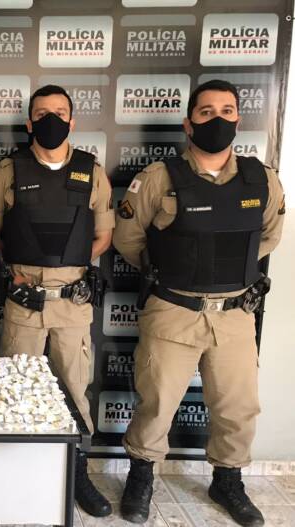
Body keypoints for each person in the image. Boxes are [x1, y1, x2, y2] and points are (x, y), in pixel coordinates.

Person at [114, 79, 285, 526]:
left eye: (226, 111)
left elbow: (268, 237)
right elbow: (128, 239)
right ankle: (141, 476)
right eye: (206, 112)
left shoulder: (262, 178)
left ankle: (227, 479)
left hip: (234, 315)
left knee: (238, 407)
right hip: (174, 310)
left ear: (238, 119)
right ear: (188, 124)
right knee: (156, 403)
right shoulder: (159, 178)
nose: (217, 120)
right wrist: (175, 269)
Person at [0, 84, 114, 518]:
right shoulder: (9, 171)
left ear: (72, 121)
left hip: (73, 303)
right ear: (29, 123)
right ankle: (14, 474)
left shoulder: (91, 171)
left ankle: (77, 472)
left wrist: (65, 268)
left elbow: (103, 236)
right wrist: (18, 273)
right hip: (24, 300)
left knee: (75, 388)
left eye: (60, 112)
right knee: (14, 389)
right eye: (42, 114)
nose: (51, 120)